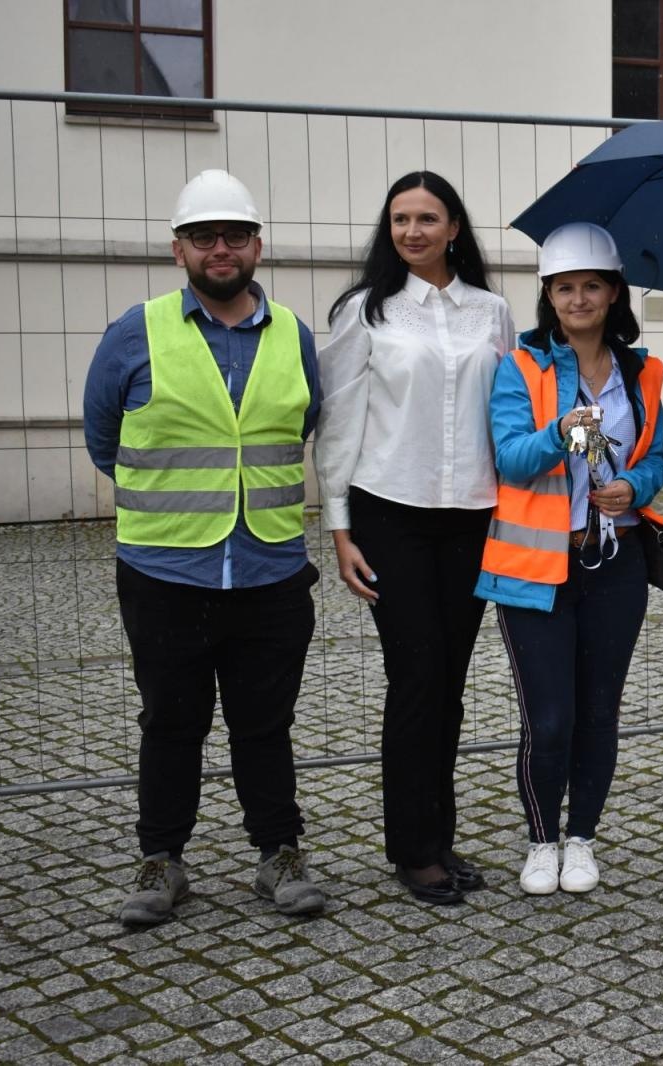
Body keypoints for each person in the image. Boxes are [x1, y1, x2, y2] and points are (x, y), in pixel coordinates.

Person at [83, 169, 327, 926]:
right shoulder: (136, 331)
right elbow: (103, 439)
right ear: (178, 250)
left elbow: (304, 425)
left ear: (258, 245)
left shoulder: (294, 335)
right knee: (170, 721)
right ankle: (162, 861)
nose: (219, 249)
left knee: (265, 722)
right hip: (165, 569)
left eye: (233, 236)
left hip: (270, 567)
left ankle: (278, 854)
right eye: (202, 237)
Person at [314, 171, 515, 906]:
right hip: (389, 512)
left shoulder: (492, 312)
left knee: (451, 686)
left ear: (454, 227)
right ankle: (412, 848)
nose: (412, 231)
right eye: (400, 219)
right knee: (418, 677)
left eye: (427, 218)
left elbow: (506, 411)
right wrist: (339, 529)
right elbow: (339, 422)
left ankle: (439, 835)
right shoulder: (366, 311)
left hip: (471, 516)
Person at [476, 222, 663, 896]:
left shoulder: (643, 372)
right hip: (536, 568)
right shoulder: (521, 367)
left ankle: (582, 837)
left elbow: (658, 459)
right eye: (566, 287)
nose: (580, 298)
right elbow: (510, 459)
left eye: (592, 285)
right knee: (548, 716)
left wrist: (632, 488)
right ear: (549, 296)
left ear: (614, 293)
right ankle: (540, 840)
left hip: (614, 563)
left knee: (598, 712)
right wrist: (561, 432)